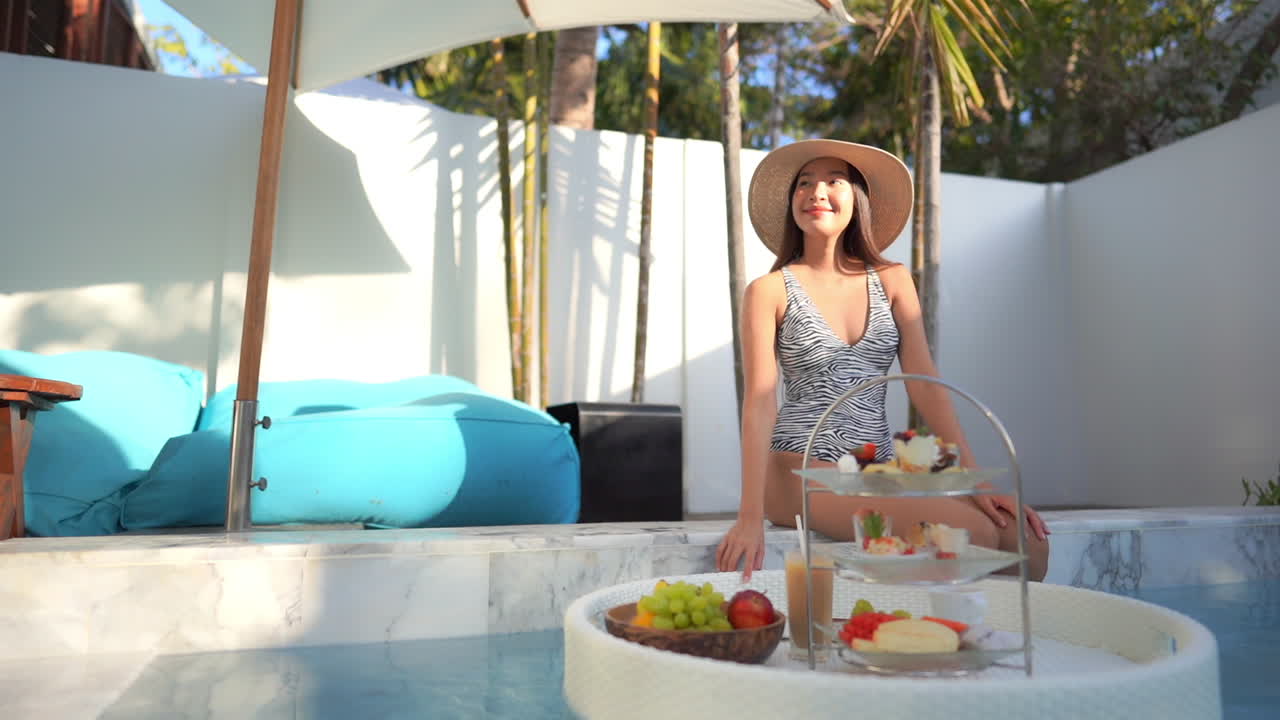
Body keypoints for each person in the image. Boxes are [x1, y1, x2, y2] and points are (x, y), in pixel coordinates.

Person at [714, 139, 1050, 582]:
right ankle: (926, 642)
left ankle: (980, 643)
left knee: (1027, 540)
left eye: (834, 180)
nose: (816, 192)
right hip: (800, 468)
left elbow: (925, 384)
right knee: (973, 536)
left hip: (873, 467)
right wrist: (749, 515)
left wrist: (976, 484)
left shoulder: (892, 279)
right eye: (804, 183)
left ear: (857, 198)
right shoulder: (769, 290)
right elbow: (759, 401)